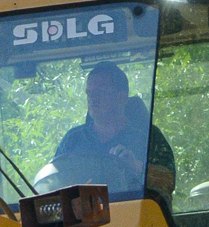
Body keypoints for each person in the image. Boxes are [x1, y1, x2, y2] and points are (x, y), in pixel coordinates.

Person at [45, 62, 173, 198]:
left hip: (139, 216)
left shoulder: (149, 137)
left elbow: (168, 183)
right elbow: (53, 185)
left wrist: (137, 167)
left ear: (121, 97)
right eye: (89, 93)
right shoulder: (73, 140)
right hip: (87, 218)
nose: (92, 99)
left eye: (100, 92)